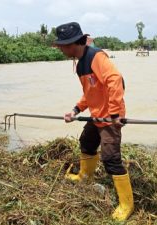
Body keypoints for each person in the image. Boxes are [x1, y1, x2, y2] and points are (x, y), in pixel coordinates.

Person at [54, 22, 134, 221]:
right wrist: (75, 110)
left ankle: (126, 204)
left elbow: (115, 79)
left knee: (111, 159)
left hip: (109, 119)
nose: (60, 49)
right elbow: (90, 94)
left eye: (62, 46)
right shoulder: (81, 63)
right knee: (87, 143)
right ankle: (85, 176)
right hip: (97, 115)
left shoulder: (96, 56)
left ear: (72, 44)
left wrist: (115, 114)